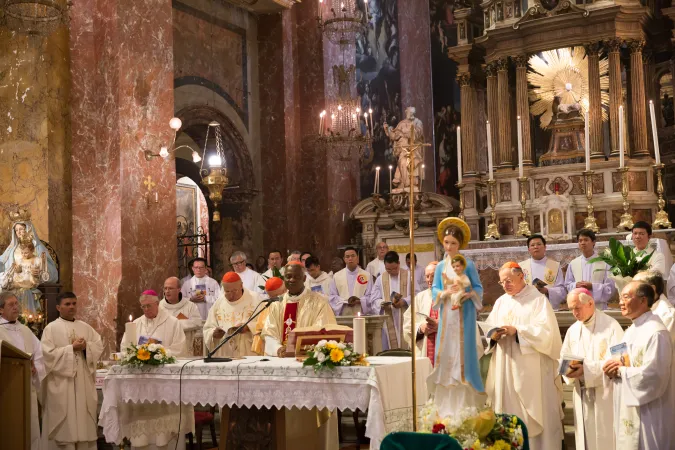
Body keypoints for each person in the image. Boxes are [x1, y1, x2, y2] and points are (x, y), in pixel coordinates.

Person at [484, 262, 563, 449]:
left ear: (521, 276)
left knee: (533, 413)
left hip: (531, 368)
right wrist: (493, 335)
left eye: (509, 280)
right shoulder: (501, 301)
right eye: (502, 282)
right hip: (505, 366)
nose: (505, 285)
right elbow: (488, 327)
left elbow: (547, 334)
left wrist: (518, 331)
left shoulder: (538, 300)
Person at [603, 281, 675, 449]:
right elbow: (623, 362)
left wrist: (620, 371)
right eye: (620, 297)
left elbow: (655, 376)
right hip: (629, 408)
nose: (621, 302)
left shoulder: (656, 332)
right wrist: (611, 368)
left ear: (643, 300)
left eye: (626, 297)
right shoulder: (631, 330)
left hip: (650, 413)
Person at [429, 218, 485, 415]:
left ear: (460, 243)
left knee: (463, 353)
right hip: (447, 317)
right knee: (447, 353)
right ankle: (445, 408)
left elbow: (478, 286)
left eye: (454, 243)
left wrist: (470, 294)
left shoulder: (467, 264)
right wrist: (444, 293)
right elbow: (435, 289)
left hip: (464, 316)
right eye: (447, 242)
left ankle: (466, 406)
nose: (450, 246)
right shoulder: (440, 267)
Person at [560, 288, 624, 450]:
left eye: (577, 308)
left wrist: (586, 370)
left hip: (605, 393)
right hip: (581, 393)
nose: (574, 312)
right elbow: (564, 359)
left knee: (606, 437)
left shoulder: (612, 325)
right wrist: (568, 371)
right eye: (571, 309)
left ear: (590, 303)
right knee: (585, 438)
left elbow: (620, 360)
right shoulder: (573, 330)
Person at [40, 292, 103, 450]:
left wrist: (86, 348)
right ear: (58, 307)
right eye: (67, 304)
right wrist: (71, 349)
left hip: (82, 382)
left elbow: (98, 345)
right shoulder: (51, 329)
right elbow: (47, 356)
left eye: (74, 303)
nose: (72, 307)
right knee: (64, 424)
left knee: (83, 422)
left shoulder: (85, 327)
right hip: (62, 384)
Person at [262, 262, 336, 358]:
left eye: (296, 276)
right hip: (281, 359)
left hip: (306, 359)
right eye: (288, 276)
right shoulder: (277, 304)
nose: (292, 280)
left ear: (304, 278)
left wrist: (298, 349)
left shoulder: (319, 303)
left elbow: (323, 333)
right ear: (284, 278)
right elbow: (269, 333)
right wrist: (278, 349)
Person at [0, 292, 45, 450]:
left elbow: (39, 356)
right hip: (7, 390)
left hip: (27, 388)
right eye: (11, 305)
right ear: (1, 310)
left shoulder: (25, 330)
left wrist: (34, 368)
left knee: (30, 428)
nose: (15, 307)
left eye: (16, 304)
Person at [203, 272, 261, 358]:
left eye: (234, 290)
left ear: (241, 285)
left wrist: (248, 327)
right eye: (227, 291)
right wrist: (214, 333)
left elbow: (266, 324)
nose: (231, 294)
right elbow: (207, 328)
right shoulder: (219, 303)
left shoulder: (255, 299)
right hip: (224, 352)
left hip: (249, 351)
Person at [366, 251, 413, 350]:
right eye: (388, 269)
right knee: (388, 347)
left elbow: (417, 295)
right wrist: (382, 303)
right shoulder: (380, 279)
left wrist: (404, 301)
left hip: (406, 317)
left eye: (394, 268)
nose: (392, 271)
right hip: (388, 320)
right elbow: (374, 299)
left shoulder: (409, 276)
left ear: (399, 263)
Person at [122, 290, 187, 357]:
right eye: (143, 306)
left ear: (157, 303)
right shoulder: (136, 323)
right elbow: (125, 346)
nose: (146, 309)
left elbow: (179, 348)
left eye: (149, 306)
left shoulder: (173, 322)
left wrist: (158, 355)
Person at [564, 229, 615, 309]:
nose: (583, 243)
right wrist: (575, 285)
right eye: (580, 241)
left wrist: (592, 286)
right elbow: (567, 285)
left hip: (599, 308)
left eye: (586, 240)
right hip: (579, 307)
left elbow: (610, 288)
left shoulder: (605, 263)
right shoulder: (573, 263)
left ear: (593, 242)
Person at [402, 261, 438, 364]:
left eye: (433, 276)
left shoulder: (451, 297)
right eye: (427, 276)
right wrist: (420, 329)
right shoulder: (420, 298)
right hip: (425, 351)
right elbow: (408, 325)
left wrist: (442, 326)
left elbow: (463, 325)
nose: (429, 280)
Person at [519, 234, 567, 310]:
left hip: (548, 308)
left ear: (545, 247)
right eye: (532, 245)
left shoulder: (554, 266)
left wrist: (547, 291)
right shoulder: (521, 267)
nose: (536, 247)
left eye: (539, 244)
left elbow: (562, 290)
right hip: (527, 307)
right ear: (529, 249)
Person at [328, 247, 372, 316]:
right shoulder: (337, 276)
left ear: (357, 258)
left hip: (361, 313)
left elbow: (371, 295)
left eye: (353, 256)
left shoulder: (366, 275)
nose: (350, 259)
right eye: (347, 257)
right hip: (344, 312)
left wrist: (360, 301)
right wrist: (344, 301)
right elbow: (332, 296)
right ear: (344, 259)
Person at [634, 271, 675, 344]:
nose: (632, 291)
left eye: (636, 287)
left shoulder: (668, 315)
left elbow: (661, 347)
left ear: (652, 289)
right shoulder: (641, 309)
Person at [252, 277, 287, 355]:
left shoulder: (291, 302)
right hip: (271, 348)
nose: (274, 299)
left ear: (285, 290)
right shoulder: (267, 305)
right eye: (271, 297)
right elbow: (259, 329)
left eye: (277, 295)